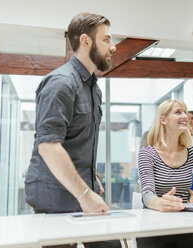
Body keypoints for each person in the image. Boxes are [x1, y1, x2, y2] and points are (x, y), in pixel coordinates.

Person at [24, 13, 121, 248]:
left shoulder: (93, 89)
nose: (114, 47)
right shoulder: (61, 83)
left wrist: (92, 177)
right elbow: (48, 146)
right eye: (106, 40)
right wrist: (84, 195)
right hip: (54, 190)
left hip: (81, 187)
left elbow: (78, 140)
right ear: (86, 41)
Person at [137, 100, 193, 248]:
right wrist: (159, 202)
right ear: (163, 119)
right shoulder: (147, 154)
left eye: (185, 112)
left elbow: (181, 184)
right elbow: (147, 192)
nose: (185, 116)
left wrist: (190, 192)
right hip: (153, 227)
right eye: (178, 112)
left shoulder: (191, 152)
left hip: (184, 225)